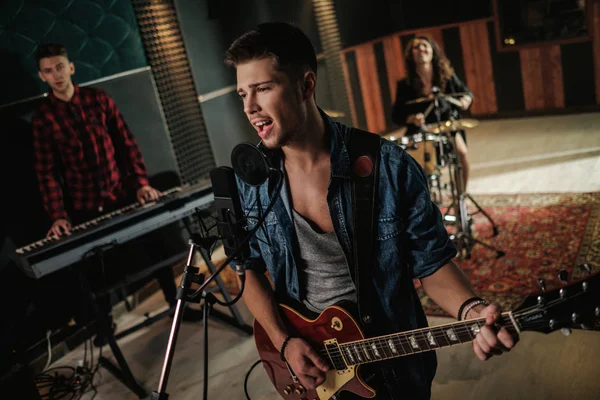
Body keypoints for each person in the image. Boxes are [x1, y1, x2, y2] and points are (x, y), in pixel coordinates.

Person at [226, 23, 517, 399]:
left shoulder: (387, 168)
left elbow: (432, 262)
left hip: (392, 365)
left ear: (306, 85)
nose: (250, 108)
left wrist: (471, 311)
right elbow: (245, 268)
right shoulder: (253, 182)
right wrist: (284, 343)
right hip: (307, 364)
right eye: (242, 94)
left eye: (264, 89)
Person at [31, 43, 203, 338]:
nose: (56, 74)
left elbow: (127, 145)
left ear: (71, 67)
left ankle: (175, 305)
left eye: (60, 66)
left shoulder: (99, 99)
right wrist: (58, 216)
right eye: (48, 70)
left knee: (156, 245)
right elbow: (46, 173)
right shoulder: (43, 119)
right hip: (84, 205)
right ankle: (105, 323)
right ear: (41, 76)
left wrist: (141, 184)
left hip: (121, 194)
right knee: (96, 270)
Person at [392, 36, 473, 191]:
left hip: (445, 125)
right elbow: (396, 115)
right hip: (419, 130)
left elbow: (467, 94)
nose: (421, 49)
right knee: (415, 165)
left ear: (432, 51)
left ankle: (461, 200)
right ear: (411, 55)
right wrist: (411, 118)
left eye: (424, 45)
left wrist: (465, 100)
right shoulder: (404, 84)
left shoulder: (446, 76)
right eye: (416, 47)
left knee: (462, 155)